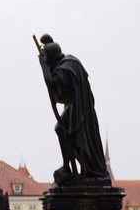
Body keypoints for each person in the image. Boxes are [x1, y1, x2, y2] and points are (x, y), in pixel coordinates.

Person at [37, 35, 110, 183]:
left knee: (61, 129)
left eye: (48, 59)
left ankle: (68, 167)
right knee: (70, 134)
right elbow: (62, 93)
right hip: (81, 107)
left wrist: (43, 67)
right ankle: (71, 168)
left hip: (78, 108)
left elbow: (54, 86)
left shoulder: (63, 69)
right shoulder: (71, 62)